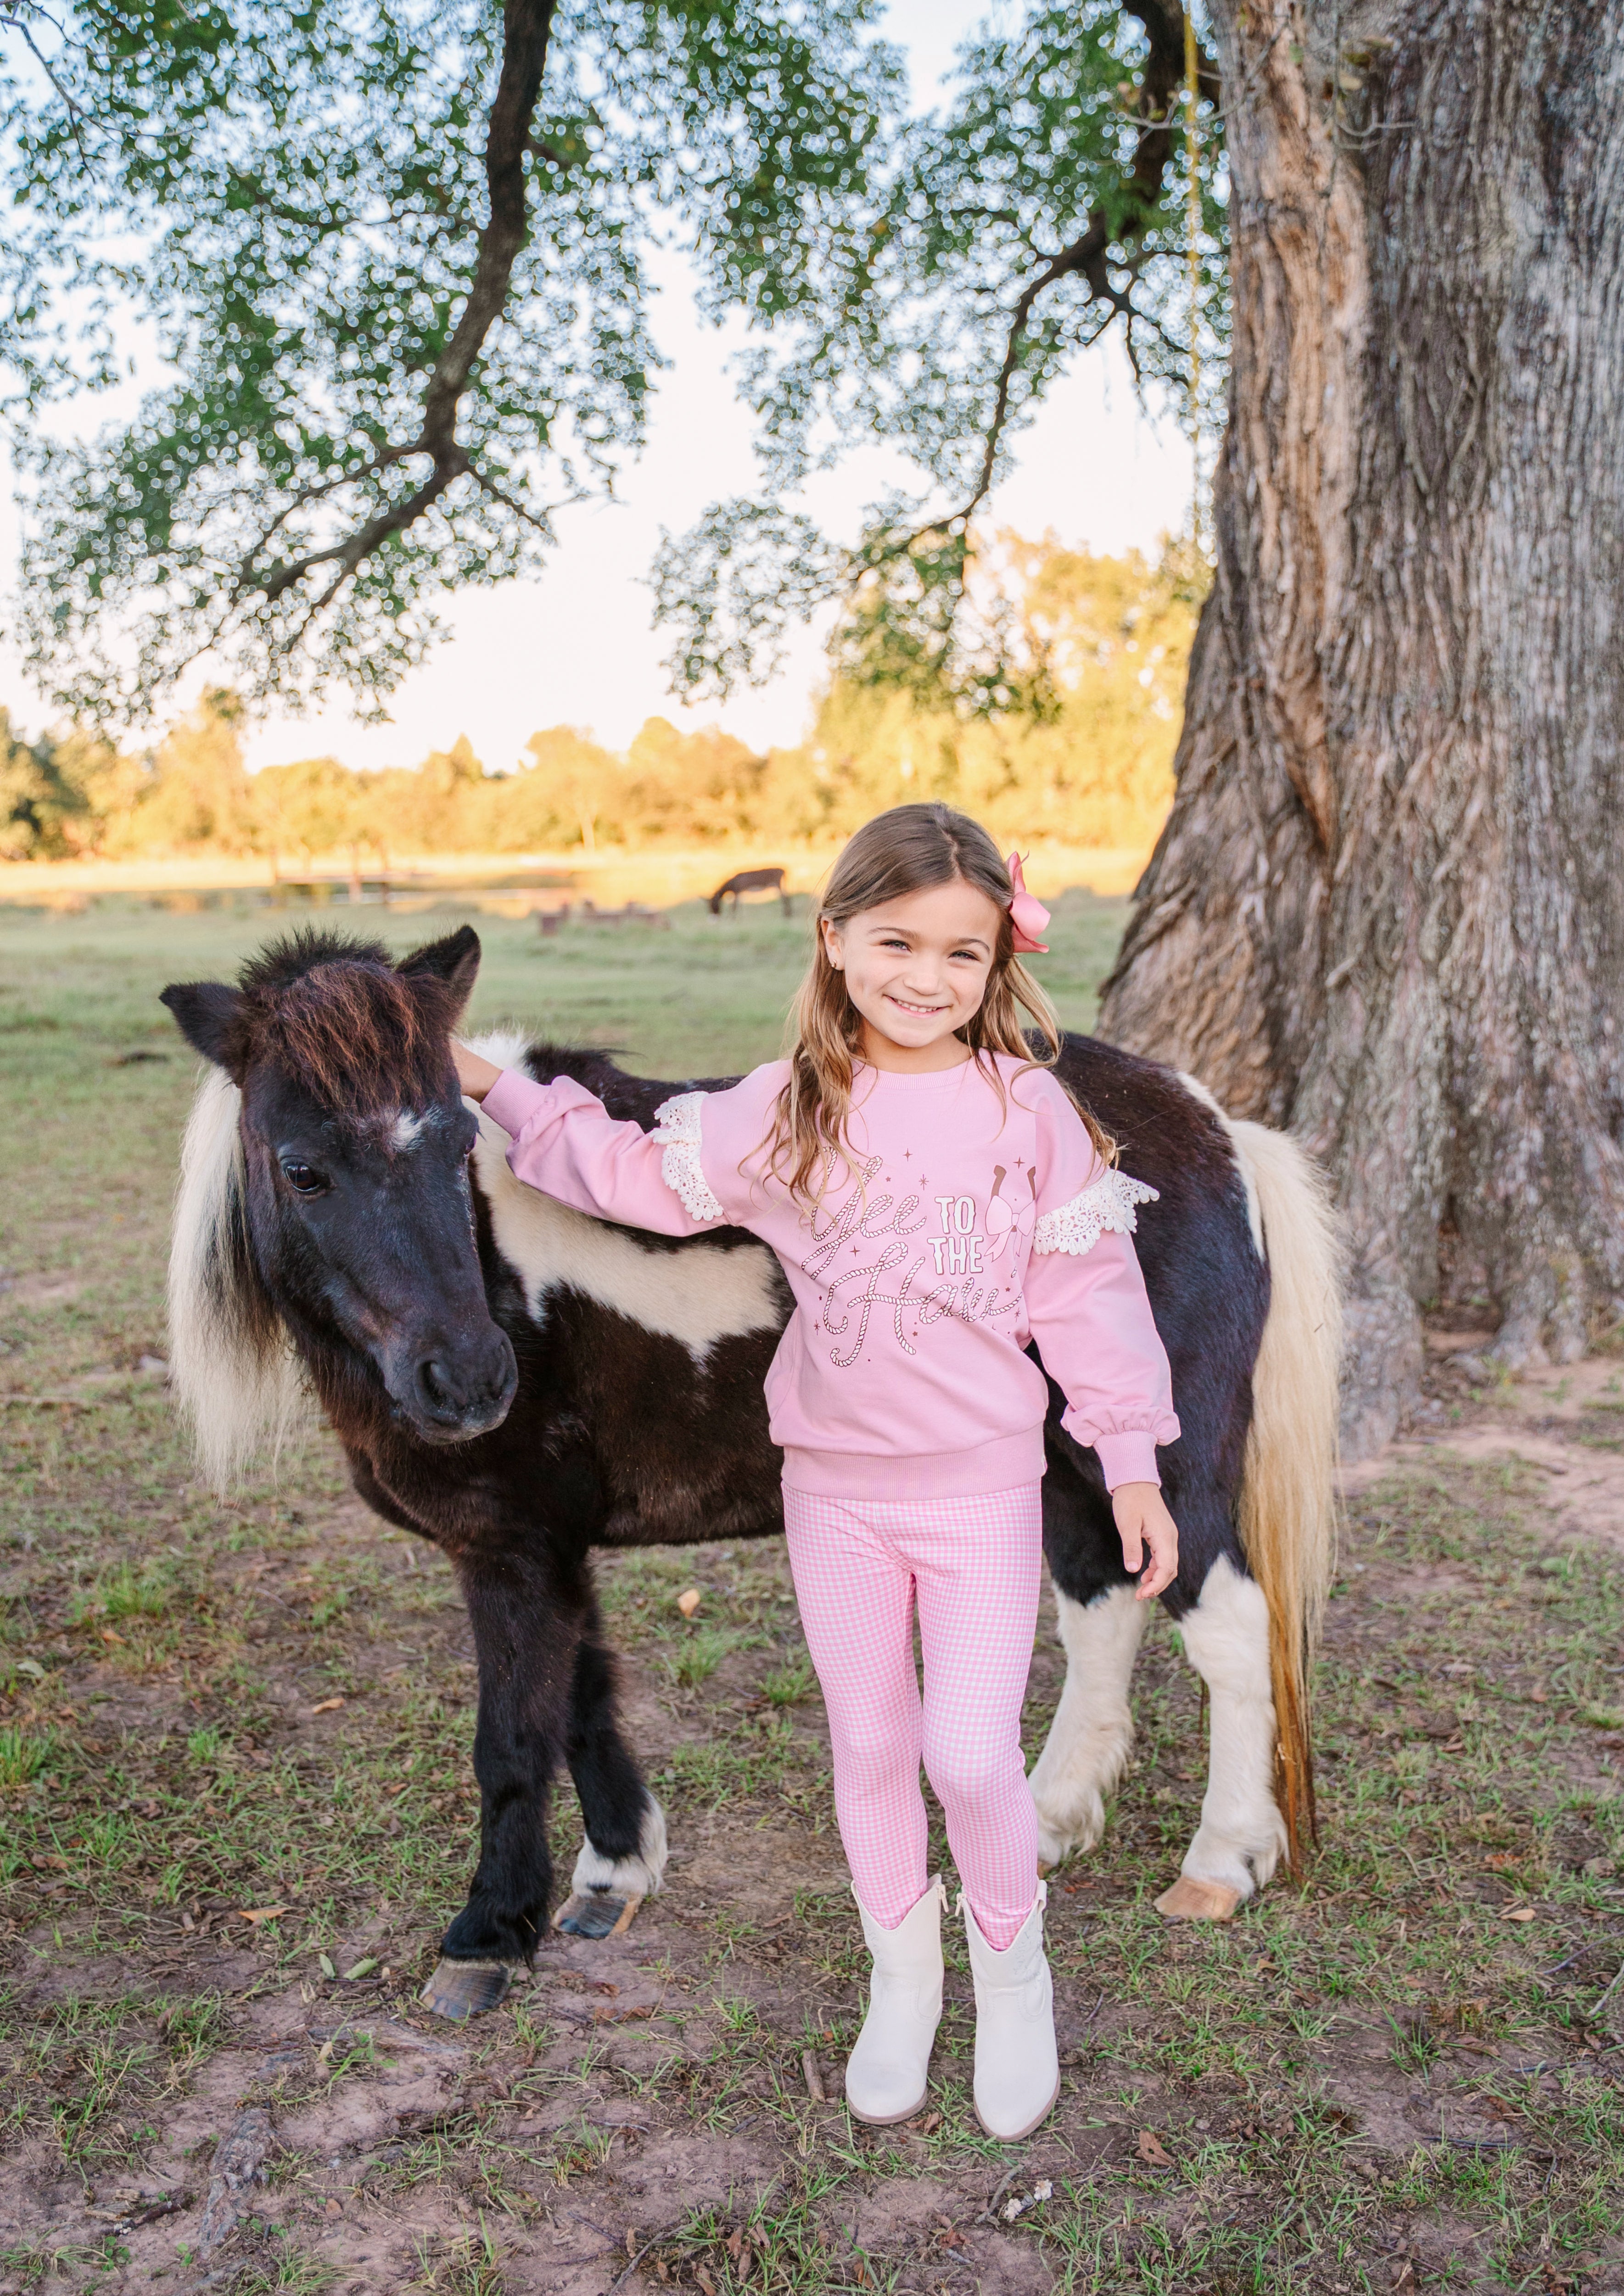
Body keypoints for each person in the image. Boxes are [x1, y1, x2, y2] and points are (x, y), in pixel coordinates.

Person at [452, 802, 1179, 2143]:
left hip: (976, 1493)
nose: (928, 976)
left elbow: (1088, 1294)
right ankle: (901, 1977)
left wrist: (1129, 1461)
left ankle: (1012, 1976)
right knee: (868, 1741)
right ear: (836, 938)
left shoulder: (1027, 1111)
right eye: (897, 941)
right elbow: (621, 1171)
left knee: (968, 1751)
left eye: (963, 953)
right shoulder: (784, 1109)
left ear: (997, 961)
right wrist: (497, 1085)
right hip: (833, 1493)